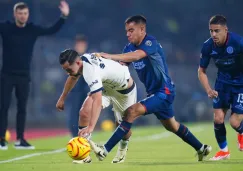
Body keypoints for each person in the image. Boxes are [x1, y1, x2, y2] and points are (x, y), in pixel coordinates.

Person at [84, 15, 212, 162]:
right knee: (172, 126)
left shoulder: (151, 43)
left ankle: (105, 150)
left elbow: (137, 56)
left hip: (164, 92)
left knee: (131, 112)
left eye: (131, 30)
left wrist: (107, 55)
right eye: (127, 31)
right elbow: (121, 67)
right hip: (154, 94)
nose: (128, 34)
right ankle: (201, 148)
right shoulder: (129, 48)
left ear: (142, 29)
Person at [0, 1, 69, 150]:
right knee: (3, 106)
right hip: (6, 74)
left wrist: (63, 16)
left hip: (24, 75)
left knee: (22, 108)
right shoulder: (6, 28)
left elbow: (51, 30)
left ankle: (20, 139)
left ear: (28, 15)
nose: (23, 16)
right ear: (15, 14)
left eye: (25, 13)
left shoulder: (32, 30)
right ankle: (1, 140)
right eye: (20, 13)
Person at [56, 50, 137, 164]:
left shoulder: (90, 71)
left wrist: (91, 127)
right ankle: (85, 155)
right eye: (65, 70)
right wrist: (62, 98)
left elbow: (97, 101)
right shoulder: (80, 62)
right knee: (84, 113)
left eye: (68, 69)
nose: (67, 72)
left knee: (122, 126)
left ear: (78, 63)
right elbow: (73, 77)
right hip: (106, 87)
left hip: (124, 91)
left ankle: (123, 148)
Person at [198, 15, 243, 160]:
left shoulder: (238, 42)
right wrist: (208, 89)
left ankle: (241, 132)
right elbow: (201, 71)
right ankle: (224, 152)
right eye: (211, 31)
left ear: (226, 30)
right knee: (218, 119)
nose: (213, 35)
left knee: (235, 122)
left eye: (217, 31)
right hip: (222, 84)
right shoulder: (207, 46)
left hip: (240, 85)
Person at [67, 34, 89, 137]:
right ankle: (74, 135)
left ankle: (84, 134)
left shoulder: (88, 57)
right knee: (74, 113)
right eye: (79, 44)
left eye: (82, 44)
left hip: (86, 90)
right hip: (75, 90)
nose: (81, 46)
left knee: (85, 113)